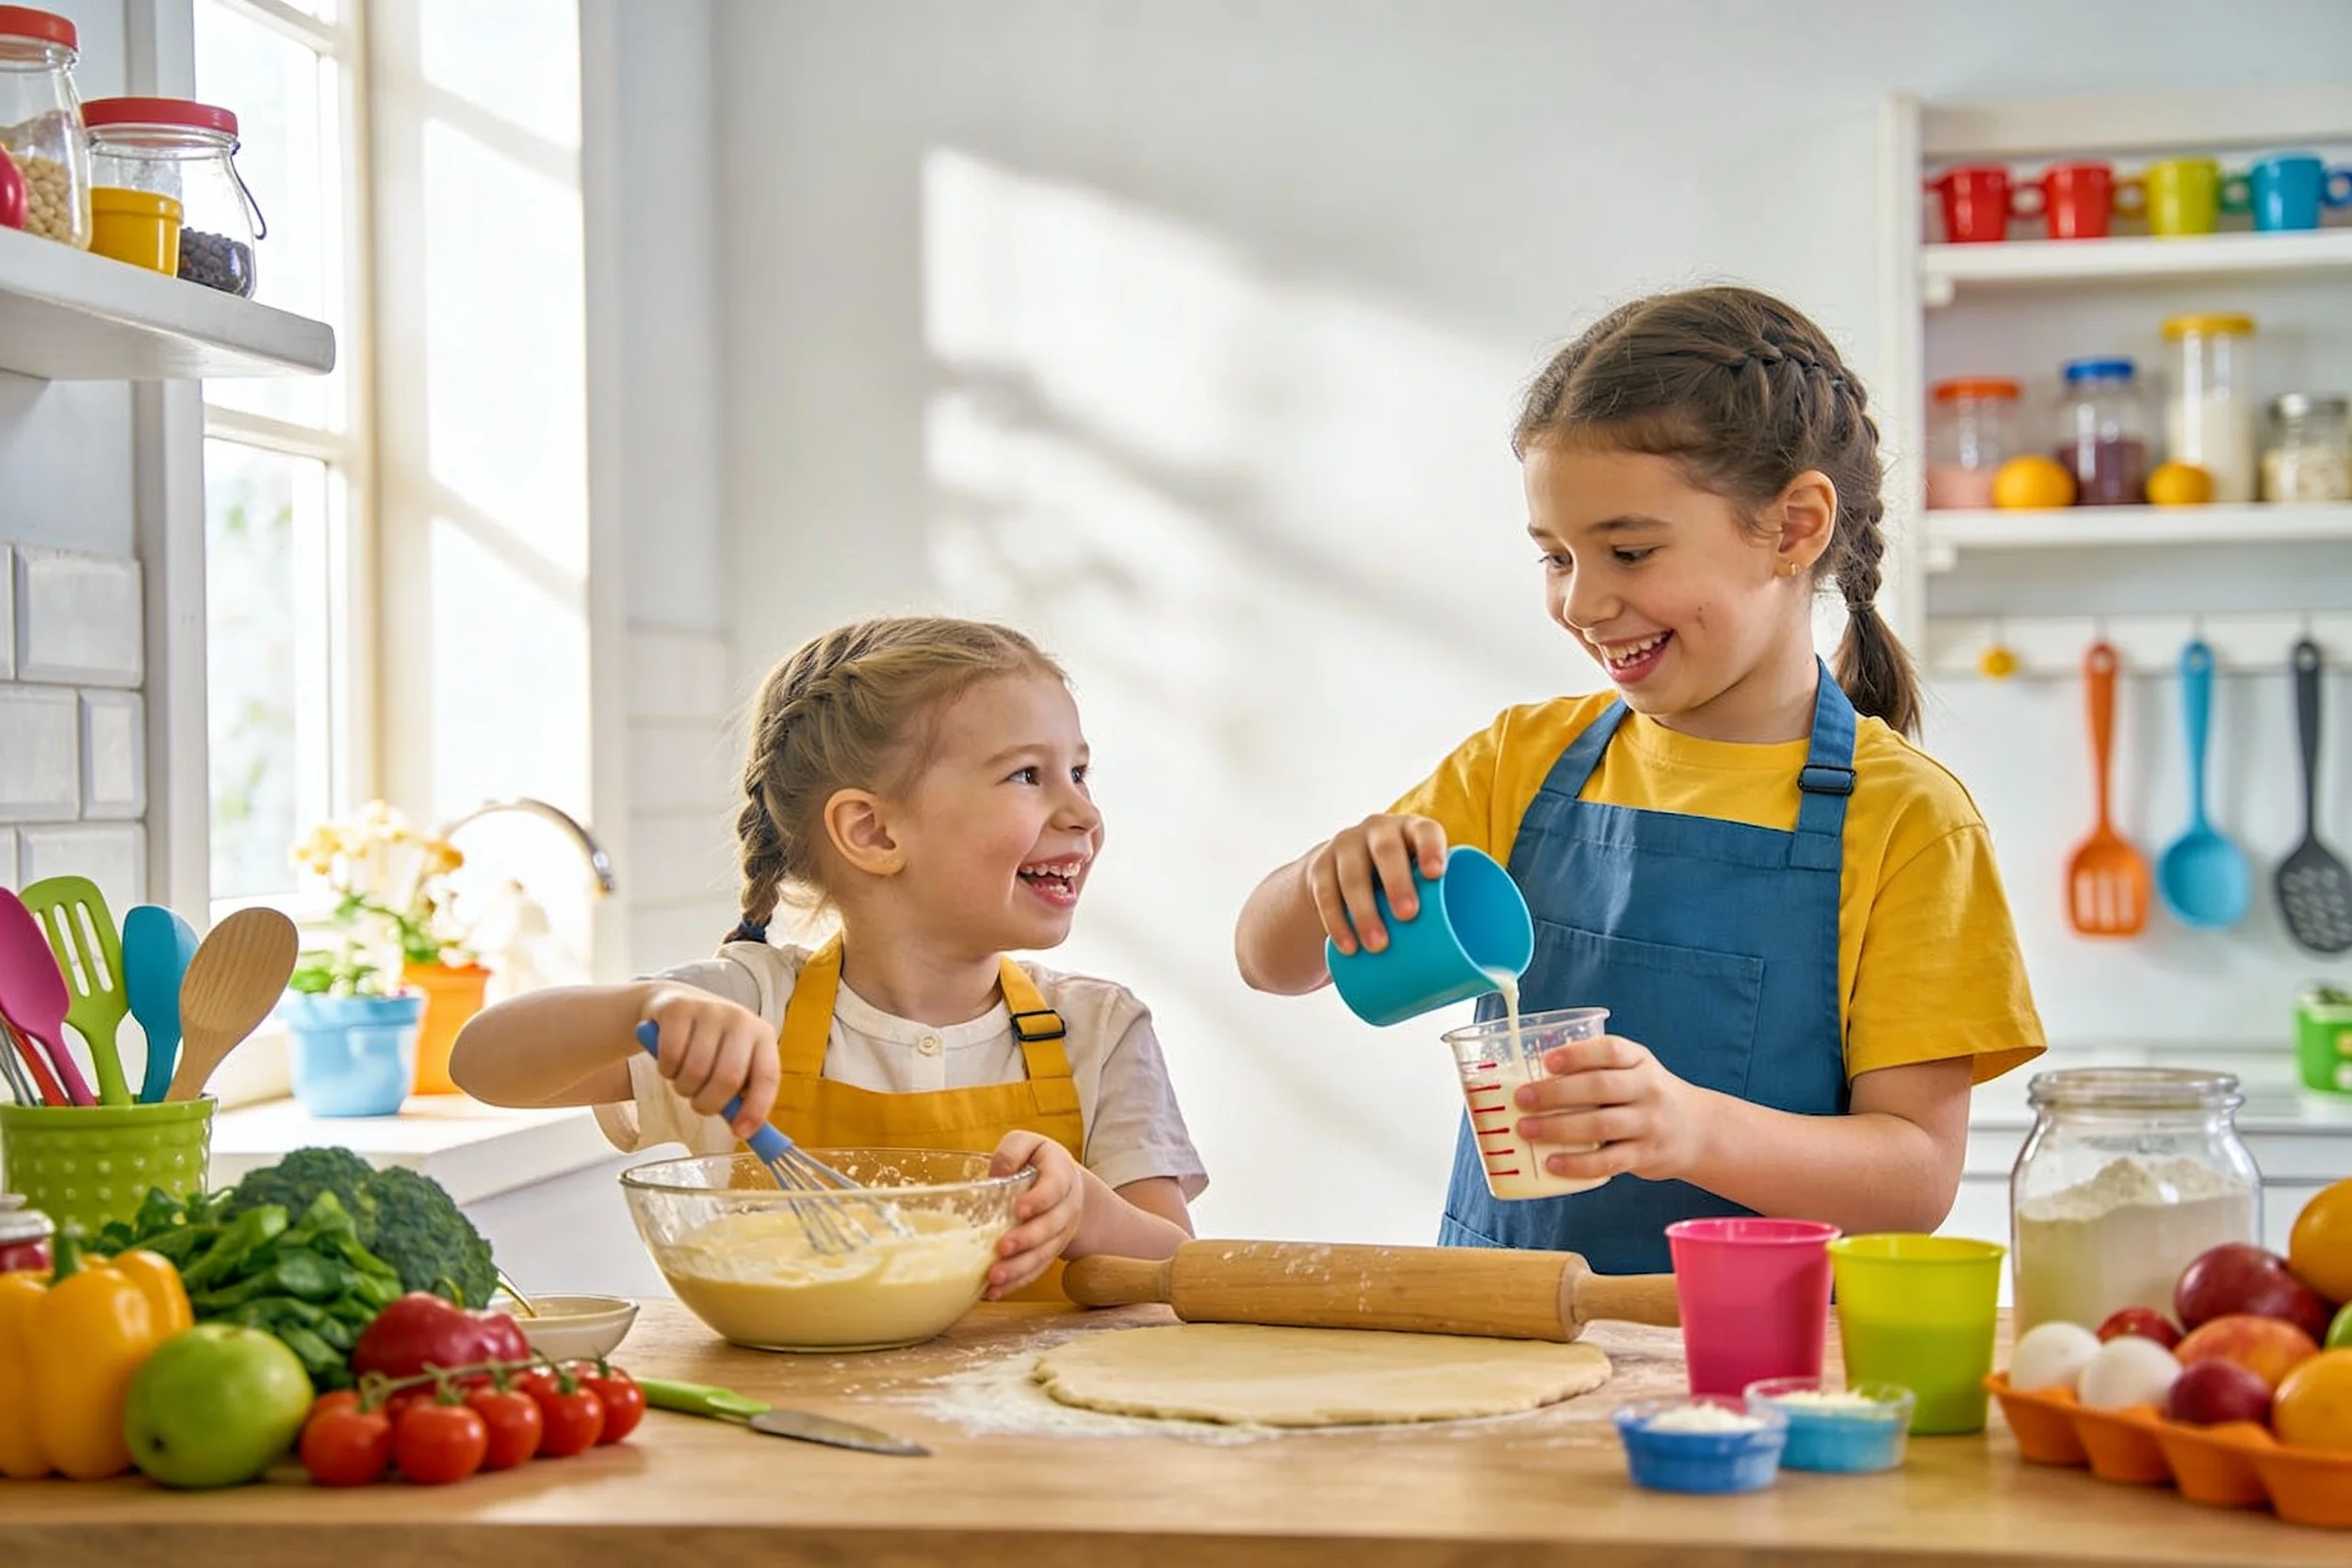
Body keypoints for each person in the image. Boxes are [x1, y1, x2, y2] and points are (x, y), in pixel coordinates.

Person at [1233, 286, 2044, 1275]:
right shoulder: (1520, 763)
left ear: (1794, 526)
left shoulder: (1910, 823)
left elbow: (1913, 1178)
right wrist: (1332, 869)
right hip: (1507, 1327)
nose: (1583, 599)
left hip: (1749, 1364)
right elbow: (1273, 962)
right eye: (1556, 556)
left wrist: (1690, 1129)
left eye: (1629, 549)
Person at [453, 615, 1204, 1299]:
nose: (1083, 813)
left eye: (1078, 772)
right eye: (1026, 776)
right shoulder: (748, 1008)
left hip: (1033, 1437)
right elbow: (482, 1066)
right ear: (873, 832)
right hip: (790, 1431)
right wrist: (640, 1011)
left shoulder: (1098, 1030)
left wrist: (1086, 1210)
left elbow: (1175, 1264)